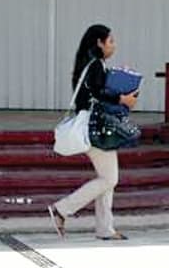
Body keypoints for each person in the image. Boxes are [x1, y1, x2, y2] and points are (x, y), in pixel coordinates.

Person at [47, 24, 138, 240]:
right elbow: (98, 93)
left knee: (106, 178)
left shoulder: (90, 64)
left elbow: (97, 89)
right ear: (99, 42)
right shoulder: (95, 64)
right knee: (109, 179)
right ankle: (62, 209)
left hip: (94, 126)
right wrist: (122, 99)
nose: (113, 45)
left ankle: (105, 229)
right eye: (111, 41)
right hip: (96, 128)